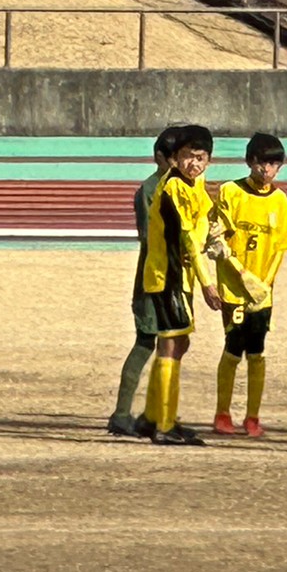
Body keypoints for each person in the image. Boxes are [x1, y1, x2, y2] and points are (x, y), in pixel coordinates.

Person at [140, 124, 223, 446]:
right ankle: (164, 424)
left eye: (201, 158)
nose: (195, 164)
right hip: (168, 276)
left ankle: (155, 417)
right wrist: (208, 283)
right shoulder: (174, 187)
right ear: (175, 159)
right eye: (188, 157)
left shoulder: (193, 183)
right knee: (172, 344)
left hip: (179, 276)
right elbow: (188, 237)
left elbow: (201, 220)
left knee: (178, 343)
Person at [212, 132, 287, 436]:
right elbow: (218, 240)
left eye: (274, 164)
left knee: (258, 352)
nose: (267, 170)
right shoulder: (230, 192)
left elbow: (280, 248)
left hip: (261, 294)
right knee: (233, 348)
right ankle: (222, 413)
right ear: (250, 162)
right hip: (234, 289)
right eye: (262, 163)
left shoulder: (280, 199)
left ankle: (253, 417)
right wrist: (242, 276)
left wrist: (264, 284)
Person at [109, 126, 182, 438]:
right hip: (155, 278)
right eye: (175, 158)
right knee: (145, 342)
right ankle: (122, 413)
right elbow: (149, 237)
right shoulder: (150, 189)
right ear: (160, 158)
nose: (181, 164)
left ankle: (154, 414)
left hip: (174, 278)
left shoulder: (180, 187)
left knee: (170, 343)